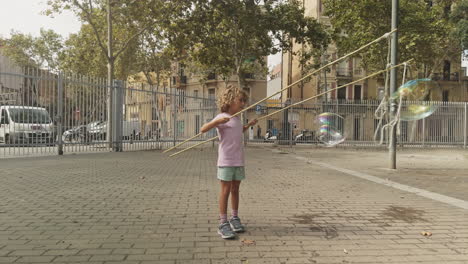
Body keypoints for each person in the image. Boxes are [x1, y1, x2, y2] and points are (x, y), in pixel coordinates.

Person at [200, 85, 257, 239]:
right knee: (225, 190)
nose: (243, 103)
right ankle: (223, 223)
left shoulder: (237, 119)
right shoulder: (222, 116)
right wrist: (216, 122)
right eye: (241, 100)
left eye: (244, 100)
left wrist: (248, 126)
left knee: (236, 189)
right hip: (226, 160)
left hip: (239, 160)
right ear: (230, 100)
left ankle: (235, 218)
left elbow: (237, 131)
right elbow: (203, 129)